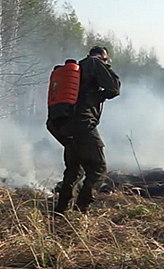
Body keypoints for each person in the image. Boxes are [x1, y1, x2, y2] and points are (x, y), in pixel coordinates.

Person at [47, 46, 121, 213]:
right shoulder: (94, 63)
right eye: (106, 60)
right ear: (103, 57)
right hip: (82, 123)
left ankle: (61, 211)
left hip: (62, 126)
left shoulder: (78, 69)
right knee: (98, 169)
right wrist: (106, 70)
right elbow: (114, 88)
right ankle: (81, 211)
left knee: (74, 169)